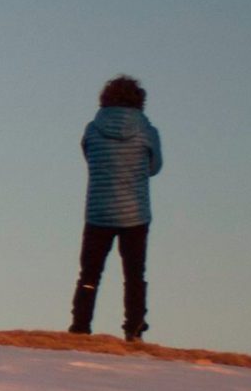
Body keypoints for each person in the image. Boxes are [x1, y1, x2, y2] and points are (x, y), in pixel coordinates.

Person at [69, 75, 161, 342]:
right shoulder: (147, 131)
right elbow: (155, 167)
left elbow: (89, 157)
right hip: (135, 214)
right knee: (134, 274)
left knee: (89, 274)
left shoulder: (92, 129)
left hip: (99, 211)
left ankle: (80, 326)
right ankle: (133, 328)